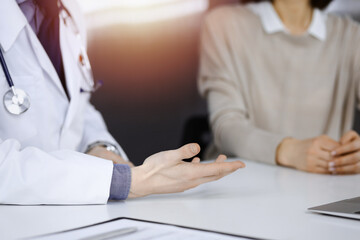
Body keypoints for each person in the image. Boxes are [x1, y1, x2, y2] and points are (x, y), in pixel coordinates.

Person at [0, 0, 245, 205]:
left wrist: (99, 147)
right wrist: (124, 181)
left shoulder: (66, 10)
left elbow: (75, 105)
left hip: (74, 210)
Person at [198, 0, 360, 175]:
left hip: (326, 185)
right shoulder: (224, 25)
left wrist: (353, 153)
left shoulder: (350, 36)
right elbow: (227, 127)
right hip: (243, 181)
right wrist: (290, 150)